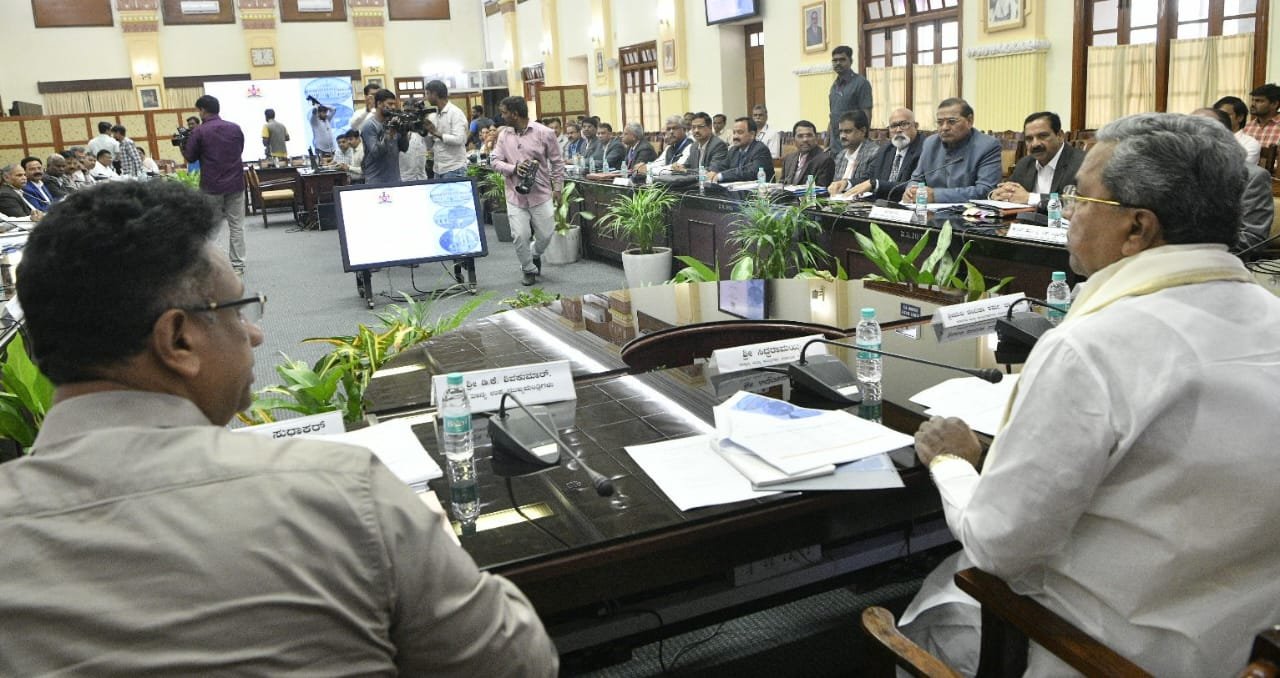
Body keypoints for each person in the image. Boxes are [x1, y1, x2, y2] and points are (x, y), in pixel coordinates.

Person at [0, 180, 559, 676]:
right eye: (238, 311)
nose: (256, 335)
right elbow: (518, 662)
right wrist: (419, 547)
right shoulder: (340, 493)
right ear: (178, 341)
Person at [904, 111, 1280, 677]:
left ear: (1137, 228)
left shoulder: (1094, 347)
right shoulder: (1271, 316)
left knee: (925, 617)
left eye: (1080, 200)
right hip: (1243, 645)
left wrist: (955, 459)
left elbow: (997, 547)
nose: (1069, 215)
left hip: (1096, 650)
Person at [490, 95, 565, 287]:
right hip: (515, 195)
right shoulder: (504, 135)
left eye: (504, 112)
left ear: (515, 114)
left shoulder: (545, 133)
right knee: (520, 235)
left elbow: (557, 162)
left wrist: (558, 188)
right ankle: (528, 269)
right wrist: (513, 168)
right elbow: (494, 161)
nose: (501, 116)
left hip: (540, 193)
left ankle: (535, 254)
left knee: (547, 234)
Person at [1192, 107, 1275, 253]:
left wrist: (1187, 246)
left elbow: (1252, 238)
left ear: (1224, 136)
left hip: (1220, 263)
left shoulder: (1252, 177)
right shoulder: (1178, 170)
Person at [182, 94, 247, 275]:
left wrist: (183, 144)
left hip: (211, 185)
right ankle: (238, 265)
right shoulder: (235, 128)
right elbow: (239, 149)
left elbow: (190, 157)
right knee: (237, 226)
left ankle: (214, 267)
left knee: (211, 227)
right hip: (235, 183)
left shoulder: (199, 131)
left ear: (202, 110)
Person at [903, 98, 1001, 204]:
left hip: (968, 214)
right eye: (940, 122)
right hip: (930, 213)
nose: (944, 127)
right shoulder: (930, 143)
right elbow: (917, 179)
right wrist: (911, 192)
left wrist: (936, 195)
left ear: (969, 121)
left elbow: (985, 190)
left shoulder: (987, 146)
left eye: (952, 122)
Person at [989, 111, 1084, 209]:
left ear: (1060, 136)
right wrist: (996, 195)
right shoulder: (1025, 163)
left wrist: (1029, 198)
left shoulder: (1082, 164)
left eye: (1042, 136)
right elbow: (1009, 191)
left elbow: (1081, 203)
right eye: (1029, 139)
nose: (1035, 144)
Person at [840, 107, 923, 199]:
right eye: (893, 126)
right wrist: (847, 183)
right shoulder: (886, 150)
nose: (898, 130)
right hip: (882, 207)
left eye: (904, 124)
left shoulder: (923, 149)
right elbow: (868, 178)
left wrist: (877, 184)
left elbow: (913, 184)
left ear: (915, 126)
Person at [360, 89, 410, 186]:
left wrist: (404, 132)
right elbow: (376, 153)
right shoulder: (369, 125)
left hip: (395, 180)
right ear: (379, 104)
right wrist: (389, 134)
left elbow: (404, 148)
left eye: (394, 104)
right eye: (390, 104)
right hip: (375, 181)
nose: (393, 107)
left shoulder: (394, 122)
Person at [829, 45, 873, 154]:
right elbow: (833, 114)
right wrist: (827, 141)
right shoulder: (834, 86)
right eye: (835, 60)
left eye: (842, 59)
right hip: (835, 144)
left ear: (851, 61)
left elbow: (866, 114)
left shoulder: (861, 83)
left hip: (853, 144)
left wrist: (864, 142)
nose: (838, 63)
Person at [826, 110, 881, 195]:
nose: (842, 136)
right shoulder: (840, 155)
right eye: (841, 131)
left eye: (848, 131)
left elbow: (868, 183)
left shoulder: (874, 153)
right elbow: (835, 184)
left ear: (862, 131)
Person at [423, 79, 469, 179]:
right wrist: (425, 132)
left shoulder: (455, 113)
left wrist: (436, 133)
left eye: (427, 94)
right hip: (438, 168)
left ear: (434, 94)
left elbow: (459, 139)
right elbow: (431, 144)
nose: (426, 98)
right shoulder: (433, 115)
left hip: (454, 168)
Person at [708, 116, 775, 184]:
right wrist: (713, 171)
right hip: (736, 191)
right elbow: (722, 165)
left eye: (740, 132)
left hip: (759, 192)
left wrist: (721, 175)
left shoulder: (760, 149)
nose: (735, 136)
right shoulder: (733, 150)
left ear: (752, 134)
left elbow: (751, 172)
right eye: (734, 132)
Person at [780, 119, 835, 186]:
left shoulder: (825, 160)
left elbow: (822, 189)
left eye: (809, 135)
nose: (805, 139)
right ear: (793, 140)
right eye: (800, 136)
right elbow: (782, 184)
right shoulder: (789, 158)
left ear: (816, 138)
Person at [1213, 95, 1262, 165]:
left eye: (1225, 115)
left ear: (1240, 117)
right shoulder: (1209, 137)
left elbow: (1239, 170)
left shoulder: (1250, 143)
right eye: (1217, 114)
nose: (1220, 118)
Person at [1243, 82, 1280, 148]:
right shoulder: (1247, 127)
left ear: (1274, 104)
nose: (1252, 104)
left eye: (1258, 101)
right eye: (1252, 100)